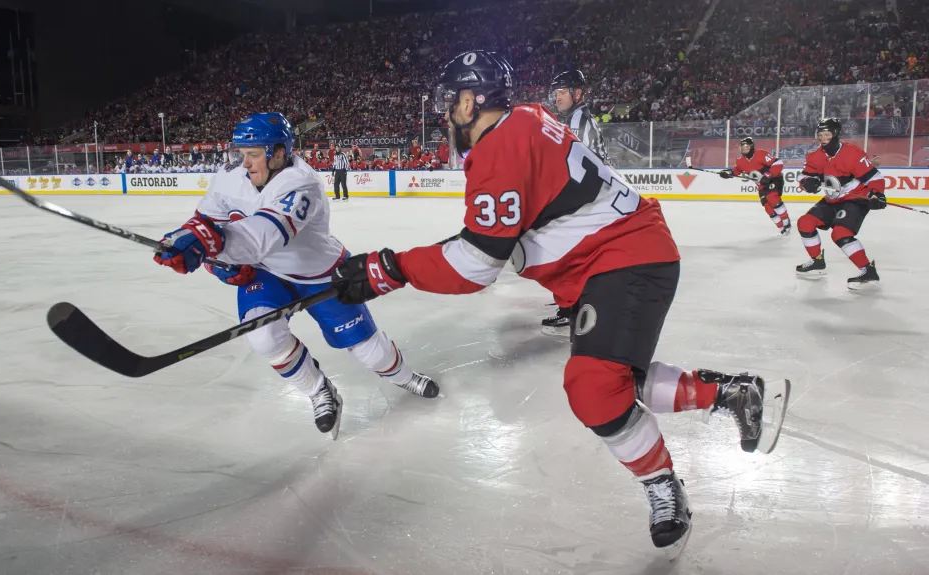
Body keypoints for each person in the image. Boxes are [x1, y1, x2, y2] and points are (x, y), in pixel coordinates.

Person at [330, 51, 790, 556]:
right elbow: (512, 223)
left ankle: (662, 483)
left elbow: (476, 265)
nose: (445, 114)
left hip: (622, 258)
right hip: (615, 257)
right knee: (613, 380)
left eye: (449, 102)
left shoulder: (499, 149)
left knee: (592, 388)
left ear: (469, 101)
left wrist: (388, 268)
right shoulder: (527, 117)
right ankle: (731, 394)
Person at [152, 113, 439, 441]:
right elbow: (206, 220)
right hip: (268, 273)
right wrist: (206, 251)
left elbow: (262, 236)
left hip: (320, 271)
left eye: (254, 154)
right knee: (263, 337)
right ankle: (320, 390)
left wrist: (208, 245)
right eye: (240, 153)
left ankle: (403, 376)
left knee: (370, 352)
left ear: (278, 153)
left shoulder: (301, 183)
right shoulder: (230, 174)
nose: (244, 163)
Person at [541, 69, 612, 334]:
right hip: (590, 200)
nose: (557, 98)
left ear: (577, 93)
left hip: (589, 202)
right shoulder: (575, 118)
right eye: (556, 93)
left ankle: (571, 308)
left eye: (562, 92)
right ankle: (570, 302)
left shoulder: (579, 121)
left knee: (566, 252)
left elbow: (583, 168)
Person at [795, 118, 886, 289]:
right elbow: (803, 176)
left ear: (836, 134)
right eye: (820, 135)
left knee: (840, 234)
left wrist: (877, 194)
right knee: (805, 223)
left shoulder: (853, 153)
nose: (823, 138)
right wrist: (807, 182)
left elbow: (874, 177)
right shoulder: (815, 156)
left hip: (855, 198)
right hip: (832, 199)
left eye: (827, 135)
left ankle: (868, 271)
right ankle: (817, 262)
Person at [719, 137, 792, 235]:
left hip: (774, 179)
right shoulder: (740, 160)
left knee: (772, 197)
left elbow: (778, 163)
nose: (744, 149)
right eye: (742, 147)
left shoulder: (761, 154)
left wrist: (768, 175)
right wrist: (727, 173)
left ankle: (786, 222)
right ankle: (781, 227)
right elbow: (736, 171)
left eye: (747, 147)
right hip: (762, 185)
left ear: (752, 147)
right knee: (767, 207)